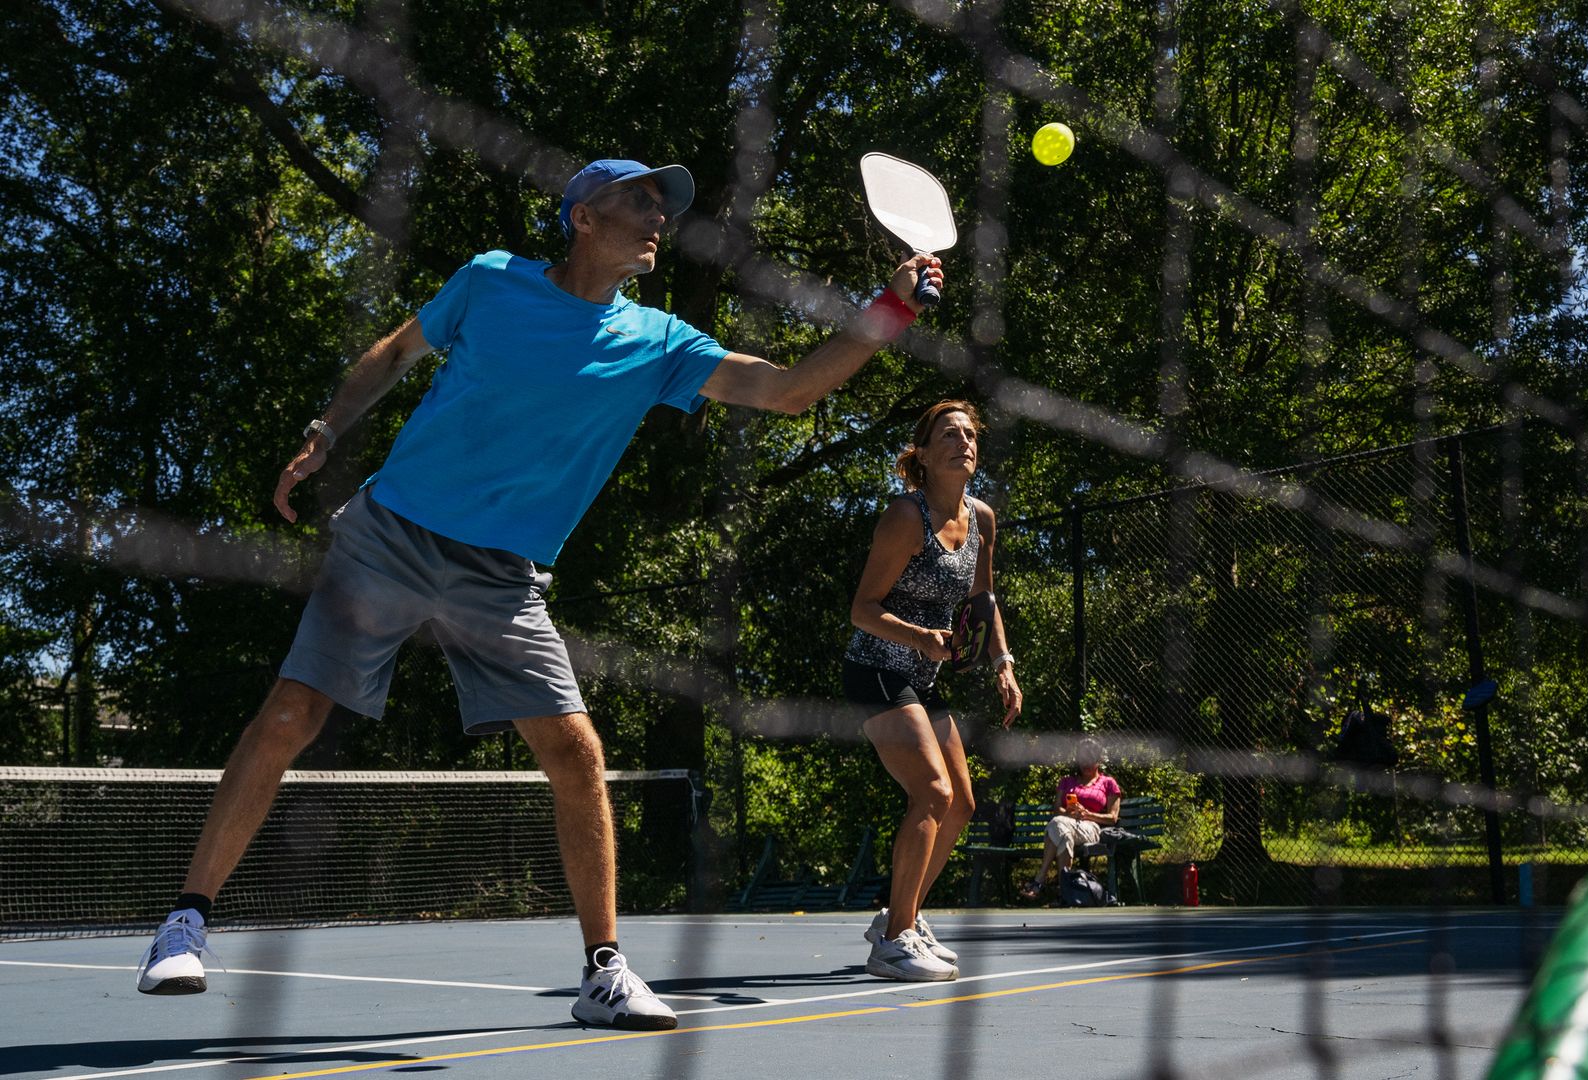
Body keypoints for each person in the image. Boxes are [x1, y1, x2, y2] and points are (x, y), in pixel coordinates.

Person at [133, 158, 943, 1031]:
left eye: (662, 205)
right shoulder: (491, 280)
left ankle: (603, 973)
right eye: (638, 200)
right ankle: (184, 924)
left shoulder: (659, 341)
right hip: (393, 535)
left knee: (577, 753)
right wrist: (326, 430)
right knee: (292, 713)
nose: (657, 217)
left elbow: (787, 390)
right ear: (582, 217)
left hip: (504, 576)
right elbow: (398, 348)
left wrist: (890, 307)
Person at [844, 400, 1022, 981]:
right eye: (948, 434)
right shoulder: (904, 517)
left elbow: (981, 601)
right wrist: (921, 636)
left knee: (962, 805)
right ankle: (892, 943)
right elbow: (862, 610)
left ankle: (904, 917)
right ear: (922, 454)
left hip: (922, 674)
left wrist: (1003, 663)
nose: (963, 442)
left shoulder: (983, 519)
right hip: (876, 666)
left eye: (970, 434)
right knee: (933, 793)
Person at [1020, 738, 1121, 902]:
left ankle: (1039, 880)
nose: (1086, 765)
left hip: (1092, 827)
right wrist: (1068, 812)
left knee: (1057, 824)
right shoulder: (1066, 781)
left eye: (1090, 760)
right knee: (1064, 834)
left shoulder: (1108, 783)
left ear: (1099, 760)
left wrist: (1087, 814)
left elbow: (1112, 818)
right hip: (1067, 824)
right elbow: (1057, 809)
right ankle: (1065, 894)